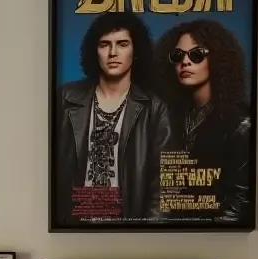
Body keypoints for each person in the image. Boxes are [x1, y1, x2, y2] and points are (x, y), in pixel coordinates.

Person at [54, 12, 171, 224]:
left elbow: (162, 186)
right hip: (73, 227)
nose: (113, 52)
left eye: (123, 44)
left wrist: (145, 234)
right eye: (105, 44)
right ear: (95, 51)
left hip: (126, 227)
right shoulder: (64, 98)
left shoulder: (155, 108)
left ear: (136, 52)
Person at [154, 19, 252, 224]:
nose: (185, 62)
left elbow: (238, 206)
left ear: (216, 59)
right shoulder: (169, 118)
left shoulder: (240, 124)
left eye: (197, 54)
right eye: (177, 55)